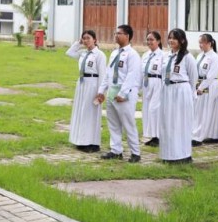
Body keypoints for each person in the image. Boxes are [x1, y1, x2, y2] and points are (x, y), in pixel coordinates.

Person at [99, 24, 142, 162]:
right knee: (113, 123)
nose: (116, 36)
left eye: (119, 33)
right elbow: (108, 73)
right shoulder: (114, 53)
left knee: (128, 124)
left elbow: (132, 76)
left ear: (127, 36)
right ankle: (116, 150)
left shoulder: (132, 55)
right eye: (115, 33)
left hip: (125, 95)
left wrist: (123, 93)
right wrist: (101, 90)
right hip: (112, 92)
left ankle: (135, 153)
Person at [159, 28, 198, 164]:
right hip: (167, 91)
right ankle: (168, 154)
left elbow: (193, 79)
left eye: (174, 38)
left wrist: (189, 94)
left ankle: (183, 154)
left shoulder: (188, 57)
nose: (171, 41)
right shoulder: (166, 56)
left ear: (182, 40)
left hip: (181, 91)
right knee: (167, 122)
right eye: (169, 38)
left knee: (180, 123)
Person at [65, 30, 106, 152]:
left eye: (88, 38)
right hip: (82, 84)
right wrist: (78, 43)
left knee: (90, 113)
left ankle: (92, 142)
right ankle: (81, 140)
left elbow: (103, 74)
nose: (86, 40)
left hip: (93, 84)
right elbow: (69, 52)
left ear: (95, 39)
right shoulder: (82, 53)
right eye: (84, 38)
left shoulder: (99, 55)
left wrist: (101, 91)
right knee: (81, 112)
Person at [192, 33, 218, 145]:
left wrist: (201, 87)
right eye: (199, 43)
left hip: (209, 85)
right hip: (200, 83)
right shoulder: (200, 56)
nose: (200, 45)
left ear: (209, 43)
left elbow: (211, 75)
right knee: (198, 110)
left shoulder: (214, 57)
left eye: (202, 43)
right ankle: (208, 134)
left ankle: (198, 136)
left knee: (205, 110)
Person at [140, 31, 164, 148]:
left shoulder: (163, 55)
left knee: (154, 109)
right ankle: (152, 135)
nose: (149, 42)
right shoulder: (145, 55)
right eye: (148, 39)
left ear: (158, 41)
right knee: (146, 109)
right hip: (146, 83)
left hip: (157, 82)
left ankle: (158, 136)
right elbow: (140, 71)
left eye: (152, 40)